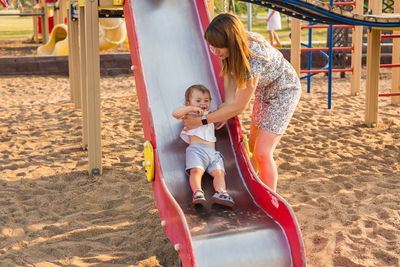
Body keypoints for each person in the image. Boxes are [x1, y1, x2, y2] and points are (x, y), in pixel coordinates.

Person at [182, 13, 301, 192]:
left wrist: (203, 120)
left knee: (262, 152)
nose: (215, 51)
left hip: (284, 92)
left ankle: (270, 197)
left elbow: (239, 106)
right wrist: (226, 104)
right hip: (265, 90)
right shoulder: (230, 48)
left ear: (232, 42)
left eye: (219, 47)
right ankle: (255, 182)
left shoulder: (254, 56)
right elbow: (229, 73)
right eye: (212, 46)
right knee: (252, 143)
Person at [172, 84, 234, 207]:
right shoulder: (189, 115)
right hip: (196, 150)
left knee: (219, 173)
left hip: (213, 153)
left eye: (206, 100)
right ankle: (197, 192)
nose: (203, 103)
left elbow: (225, 110)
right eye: (198, 100)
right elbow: (175, 113)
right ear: (188, 102)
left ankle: (221, 192)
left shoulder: (210, 115)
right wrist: (190, 109)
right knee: (196, 171)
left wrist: (224, 115)